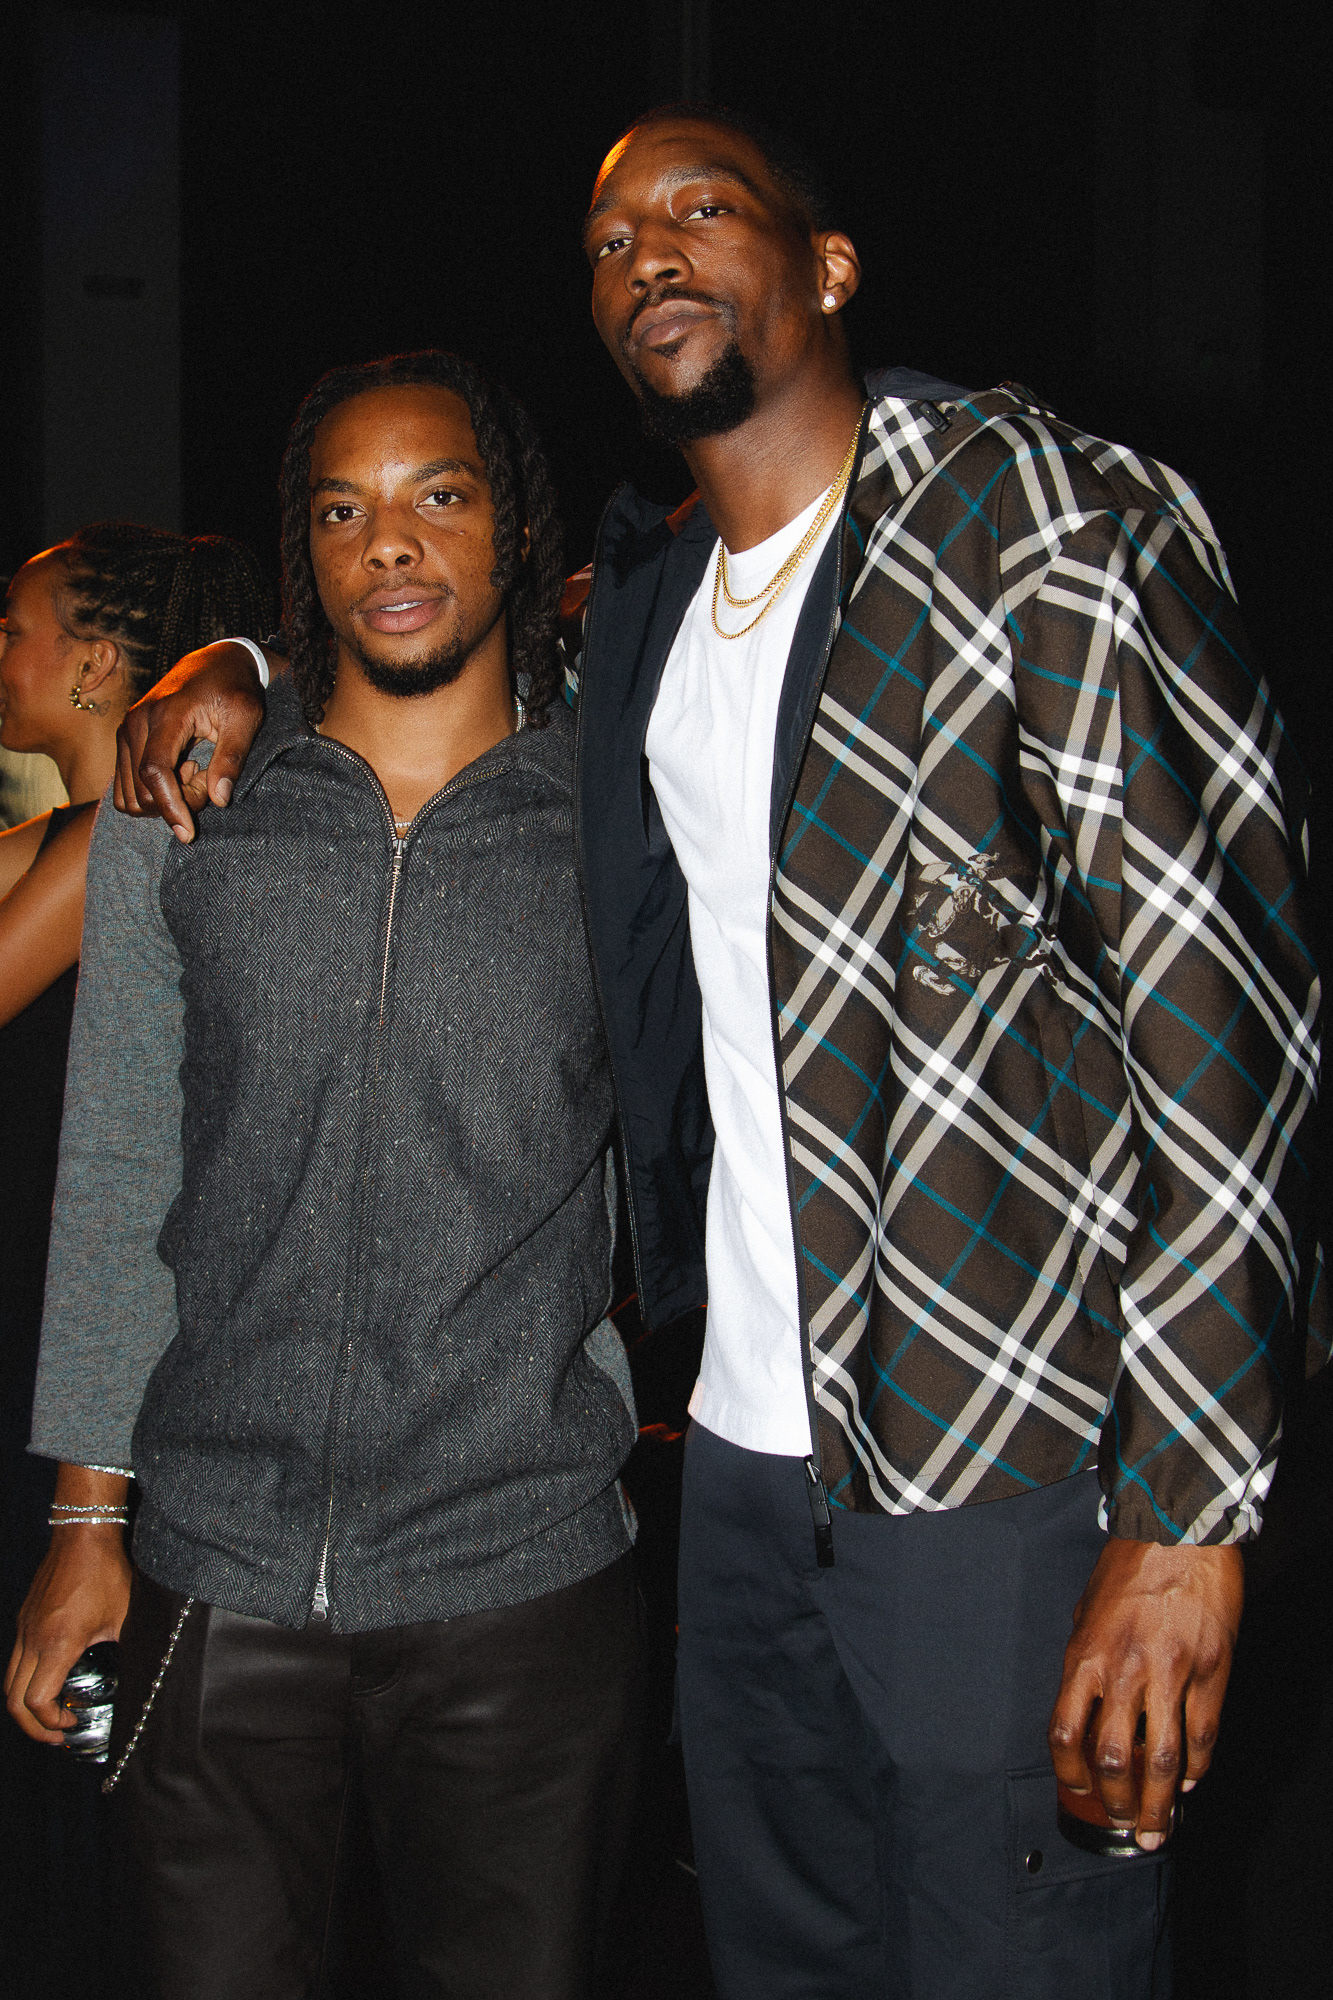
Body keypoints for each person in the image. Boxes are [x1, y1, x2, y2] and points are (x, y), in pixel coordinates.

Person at [107, 107, 1324, 2000]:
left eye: (699, 209)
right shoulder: (658, 615)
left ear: (824, 267)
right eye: (606, 240)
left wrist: (1185, 1517)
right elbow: (433, 655)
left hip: (1002, 1464)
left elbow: (1230, 1038)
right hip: (745, 1482)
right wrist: (244, 669)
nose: (647, 254)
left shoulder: (1033, 521)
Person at [6, 352, 643, 2000]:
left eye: (440, 495)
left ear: (511, 530)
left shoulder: (620, 820)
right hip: (218, 1576)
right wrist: (89, 1521)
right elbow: (121, 1155)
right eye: (343, 510)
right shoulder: (187, 798)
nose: (393, 545)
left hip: (523, 1576)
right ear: (305, 551)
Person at [0, 526, 274, 1999]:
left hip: (84, 1326)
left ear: (104, 662)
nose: (2, 652)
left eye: (19, 626)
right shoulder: (67, 833)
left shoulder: (120, 837)